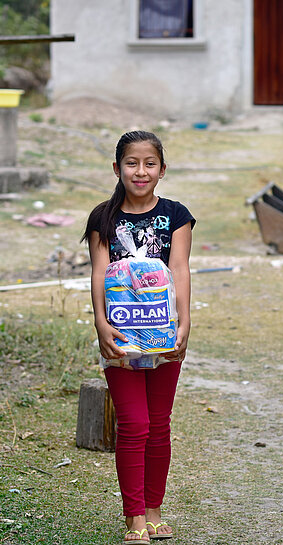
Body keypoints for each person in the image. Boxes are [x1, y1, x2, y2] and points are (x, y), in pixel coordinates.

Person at [82, 130, 195, 545]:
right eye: (132, 163)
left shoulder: (176, 214)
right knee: (134, 424)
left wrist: (184, 324)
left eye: (150, 163)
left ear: (162, 170)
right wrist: (100, 324)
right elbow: (98, 272)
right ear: (117, 168)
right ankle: (133, 517)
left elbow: (180, 270)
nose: (141, 171)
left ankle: (153, 509)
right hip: (121, 335)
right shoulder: (103, 218)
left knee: (159, 425)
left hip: (165, 334)